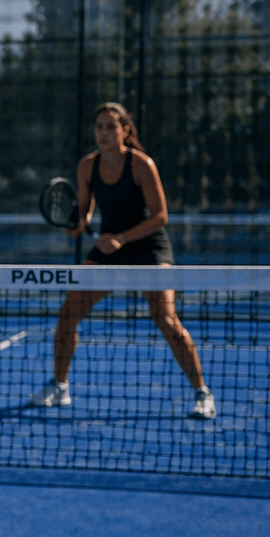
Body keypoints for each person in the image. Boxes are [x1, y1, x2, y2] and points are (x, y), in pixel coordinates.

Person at [28, 101, 216, 420]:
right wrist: (79, 224)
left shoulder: (142, 165)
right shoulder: (87, 166)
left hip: (149, 247)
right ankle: (59, 386)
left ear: (125, 130)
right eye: (99, 127)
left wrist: (122, 238)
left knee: (166, 318)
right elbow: (86, 211)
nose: (103, 133)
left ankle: (202, 394)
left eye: (110, 126)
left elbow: (160, 216)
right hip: (108, 247)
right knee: (69, 312)